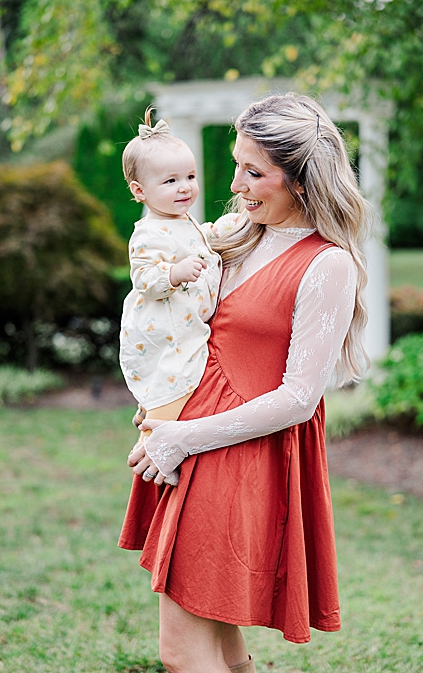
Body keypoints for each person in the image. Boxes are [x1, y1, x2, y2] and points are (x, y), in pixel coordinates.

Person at [118, 93, 371, 673]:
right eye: (236, 165)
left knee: (182, 654)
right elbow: (167, 308)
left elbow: (299, 399)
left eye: (253, 172)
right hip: (190, 436)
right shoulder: (236, 232)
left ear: (302, 181)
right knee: (226, 652)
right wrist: (162, 404)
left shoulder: (327, 264)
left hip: (238, 452)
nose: (235, 184)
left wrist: (183, 436)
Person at [118, 108, 223, 487]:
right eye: (171, 180)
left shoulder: (184, 221)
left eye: (190, 177)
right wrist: (173, 273)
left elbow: (204, 240)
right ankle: (153, 445)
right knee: (176, 378)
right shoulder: (148, 232)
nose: (185, 187)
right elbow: (144, 276)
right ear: (139, 191)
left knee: (177, 378)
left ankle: (150, 415)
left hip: (186, 325)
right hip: (164, 330)